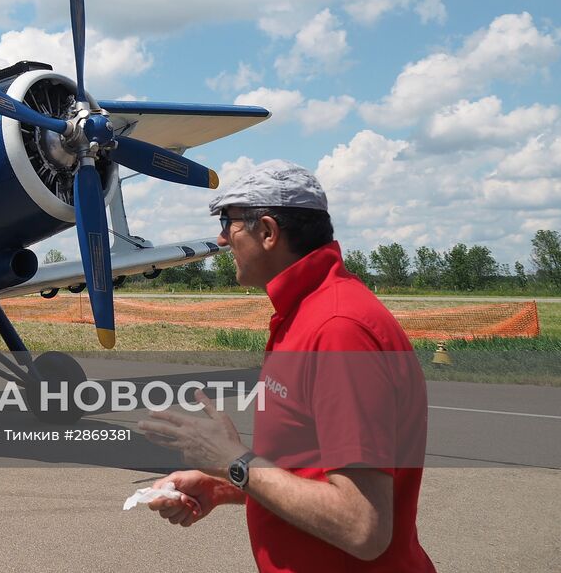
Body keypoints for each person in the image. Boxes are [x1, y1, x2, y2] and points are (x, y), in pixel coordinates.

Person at [137, 160, 434, 572]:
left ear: (268, 232)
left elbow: (362, 526)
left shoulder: (337, 329)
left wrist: (235, 462)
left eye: (229, 221)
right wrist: (224, 485)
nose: (222, 239)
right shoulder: (306, 313)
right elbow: (309, 473)